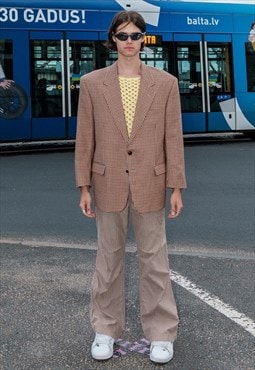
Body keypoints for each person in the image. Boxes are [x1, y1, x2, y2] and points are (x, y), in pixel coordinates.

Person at [75, 10, 186, 364]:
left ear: (144, 40)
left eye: (135, 35)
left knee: (155, 261)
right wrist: (84, 186)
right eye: (122, 36)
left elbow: (173, 139)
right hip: (107, 182)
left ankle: (161, 334)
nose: (128, 42)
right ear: (112, 39)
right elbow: (85, 139)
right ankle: (105, 329)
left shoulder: (165, 83)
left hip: (150, 182)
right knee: (108, 260)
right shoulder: (92, 83)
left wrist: (176, 187)